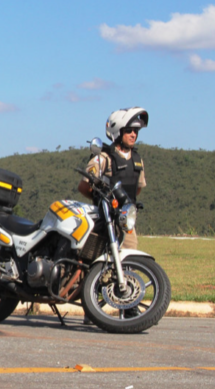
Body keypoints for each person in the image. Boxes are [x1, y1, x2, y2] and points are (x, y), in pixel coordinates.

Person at [78, 107, 148, 325]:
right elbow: (84, 186)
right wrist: (104, 201)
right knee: (94, 263)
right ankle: (92, 309)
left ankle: (130, 307)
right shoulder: (103, 158)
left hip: (125, 221)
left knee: (129, 263)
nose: (133, 135)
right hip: (104, 219)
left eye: (136, 131)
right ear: (118, 131)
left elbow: (138, 188)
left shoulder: (137, 160)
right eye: (129, 130)